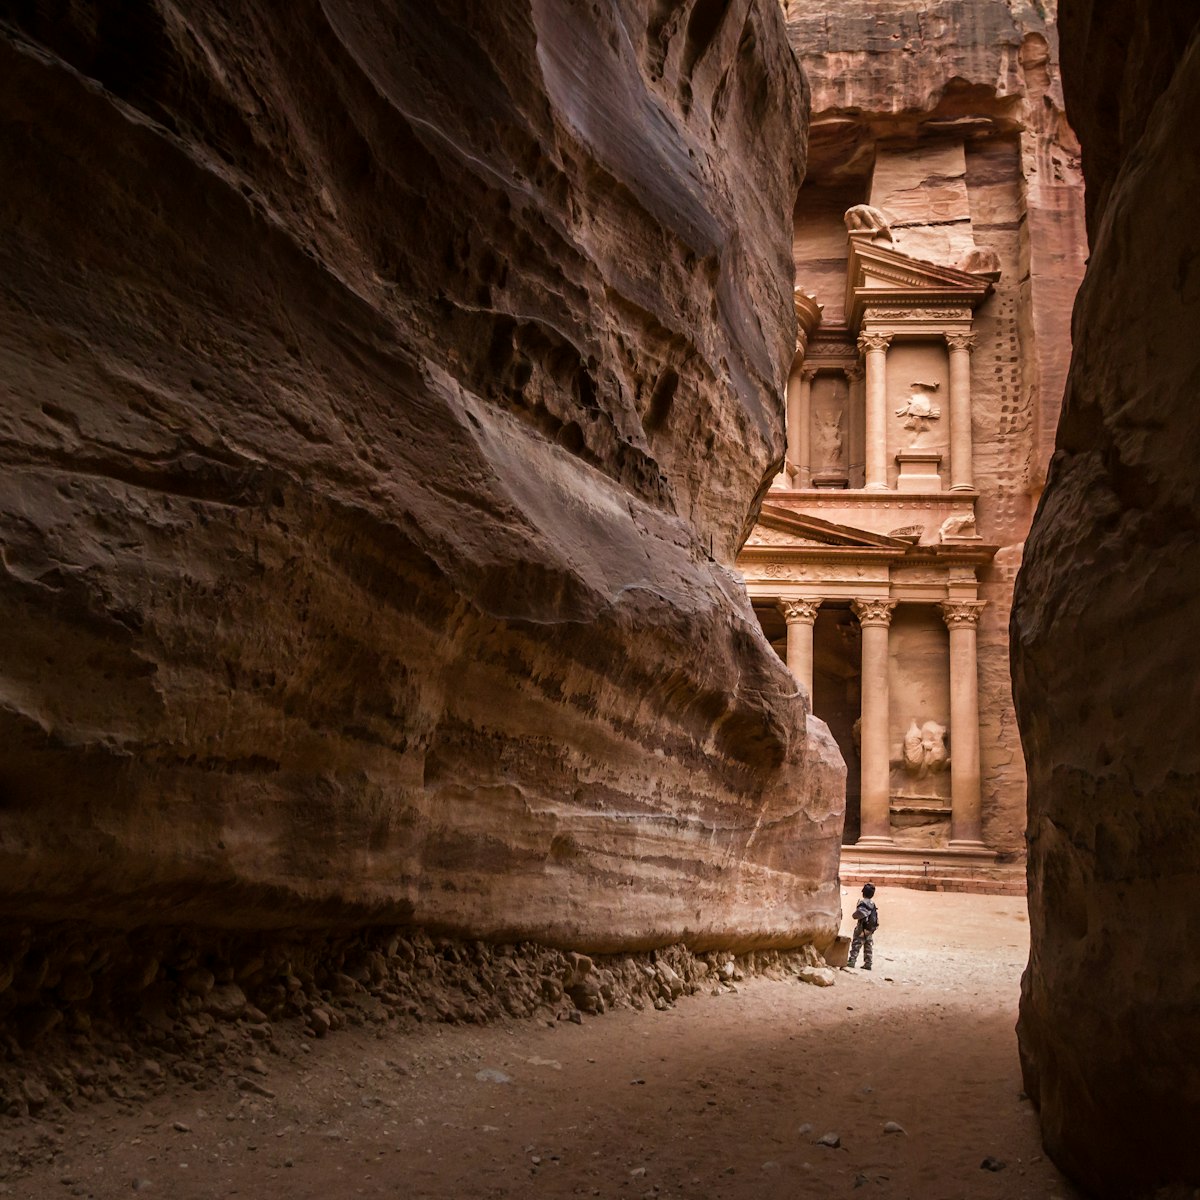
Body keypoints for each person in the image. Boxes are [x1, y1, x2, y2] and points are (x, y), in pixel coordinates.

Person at [846, 882, 879, 970]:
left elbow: (861, 913)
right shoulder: (872, 903)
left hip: (862, 928)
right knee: (868, 946)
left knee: (856, 944)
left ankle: (852, 961)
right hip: (870, 929)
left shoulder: (863, 903)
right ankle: (868, 963)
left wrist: (854, 915)